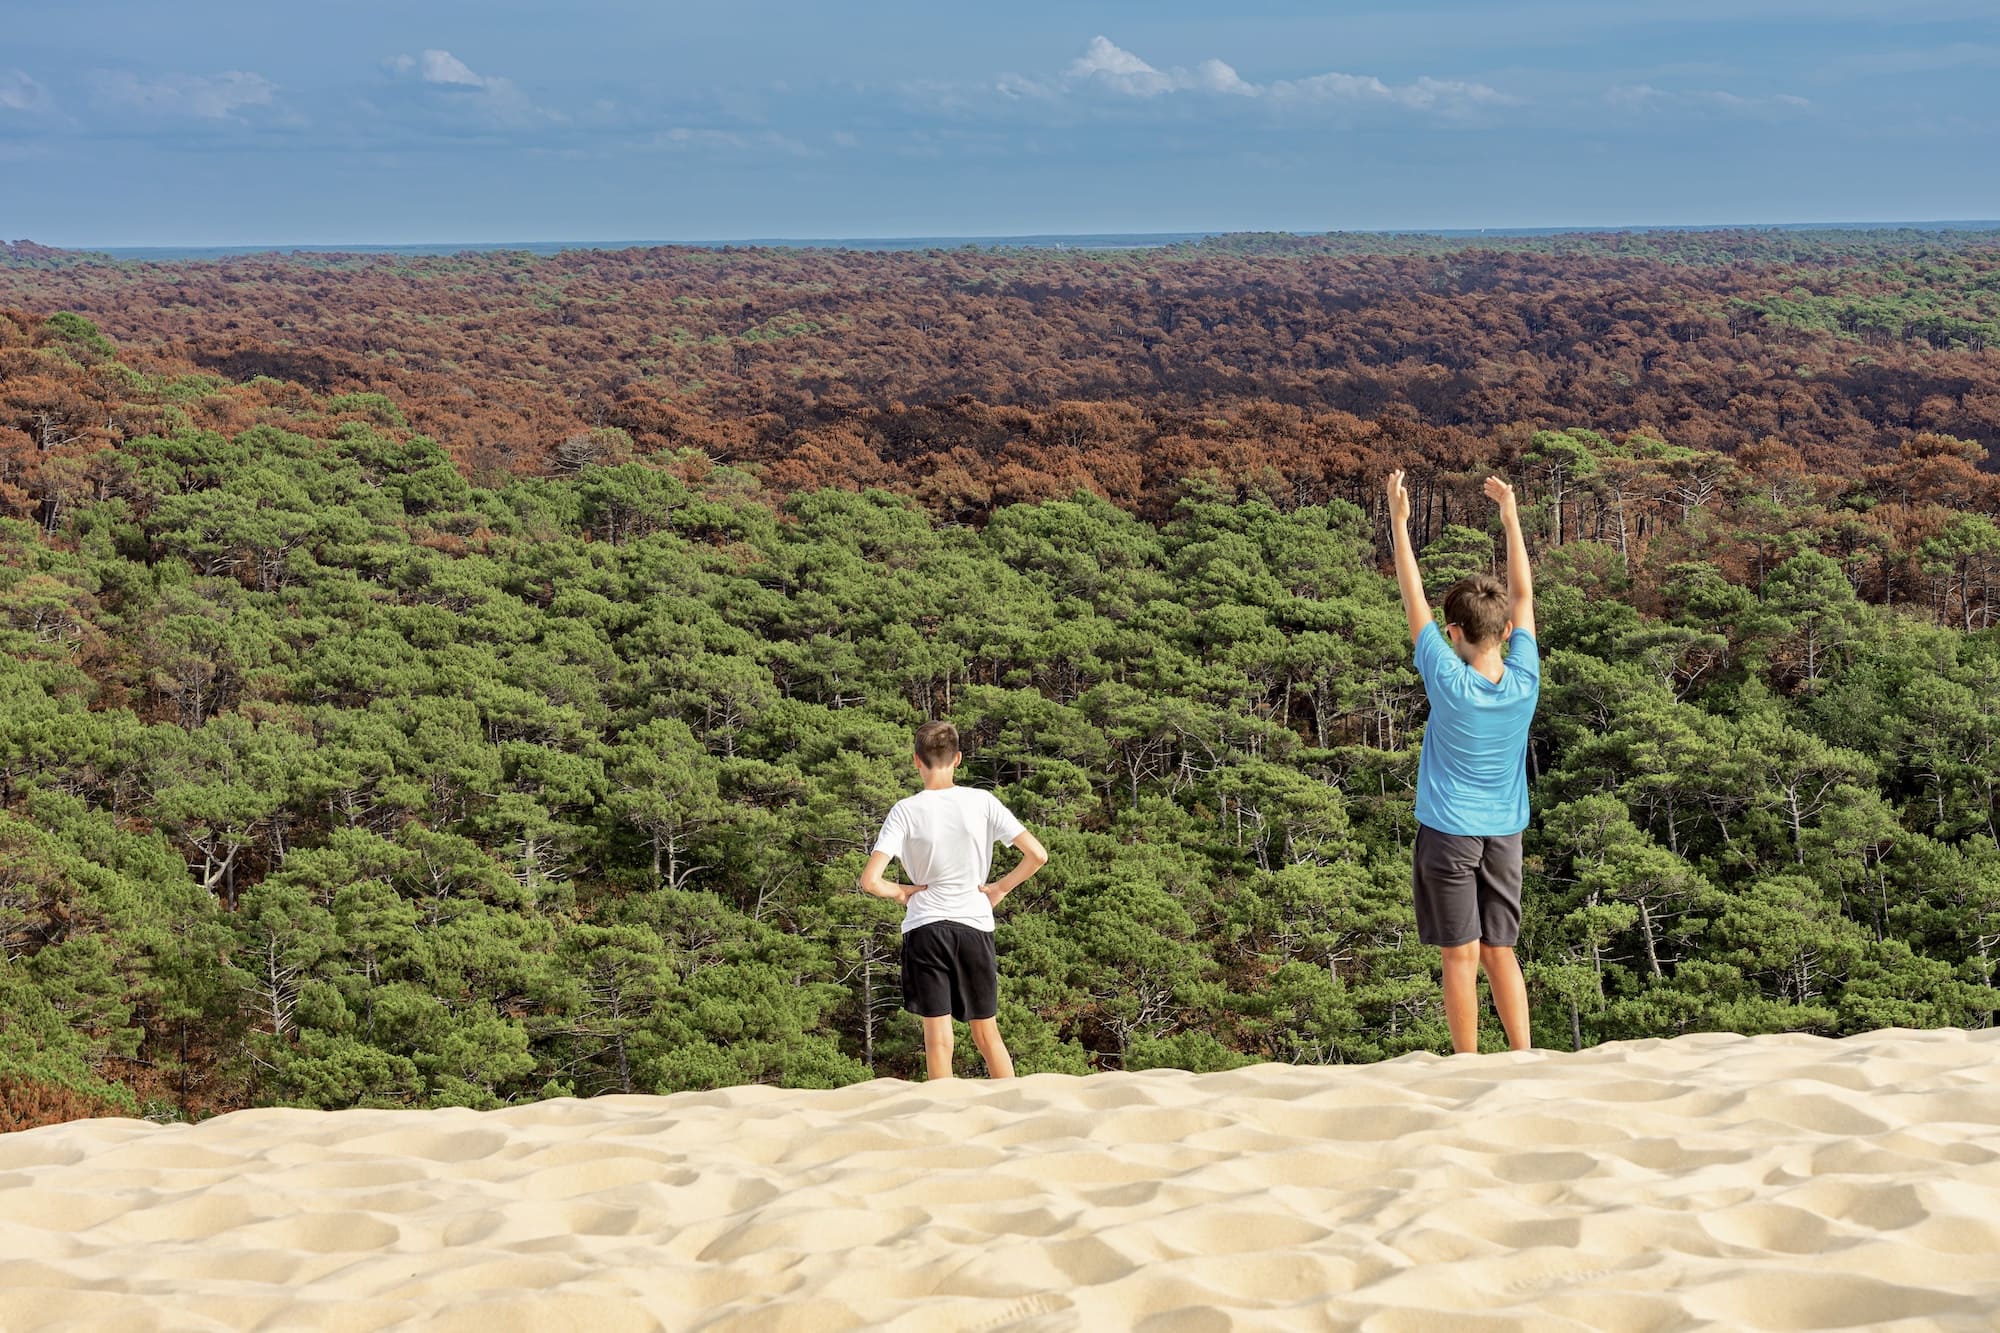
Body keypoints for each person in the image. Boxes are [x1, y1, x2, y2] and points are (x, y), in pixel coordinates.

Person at [1385, 469, 1541, 1054]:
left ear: (1454, 632)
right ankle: (1523, 1058)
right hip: (1504, 834)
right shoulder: (1524, 680)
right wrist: (1510, 516)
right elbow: (1523, 595)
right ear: (1503, 630)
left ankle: (1468, 1064)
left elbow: (1412, 599)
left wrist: (1400, 525)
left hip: (1449, 833)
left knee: (1461, 953)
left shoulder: (1449, 680)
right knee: (1501, 950)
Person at [857, 720, 1048, 1080]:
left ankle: (942, 1114)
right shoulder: (982, 801)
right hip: (974, 924)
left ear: (917, 761)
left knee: (938, 1039)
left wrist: (901, 892)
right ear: (958, 758)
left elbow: (870, 881)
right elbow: (1037, 855)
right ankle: (1014, 1106)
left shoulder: (904, 811)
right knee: (986, 1032)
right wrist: (1000, 888)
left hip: (926, 928)